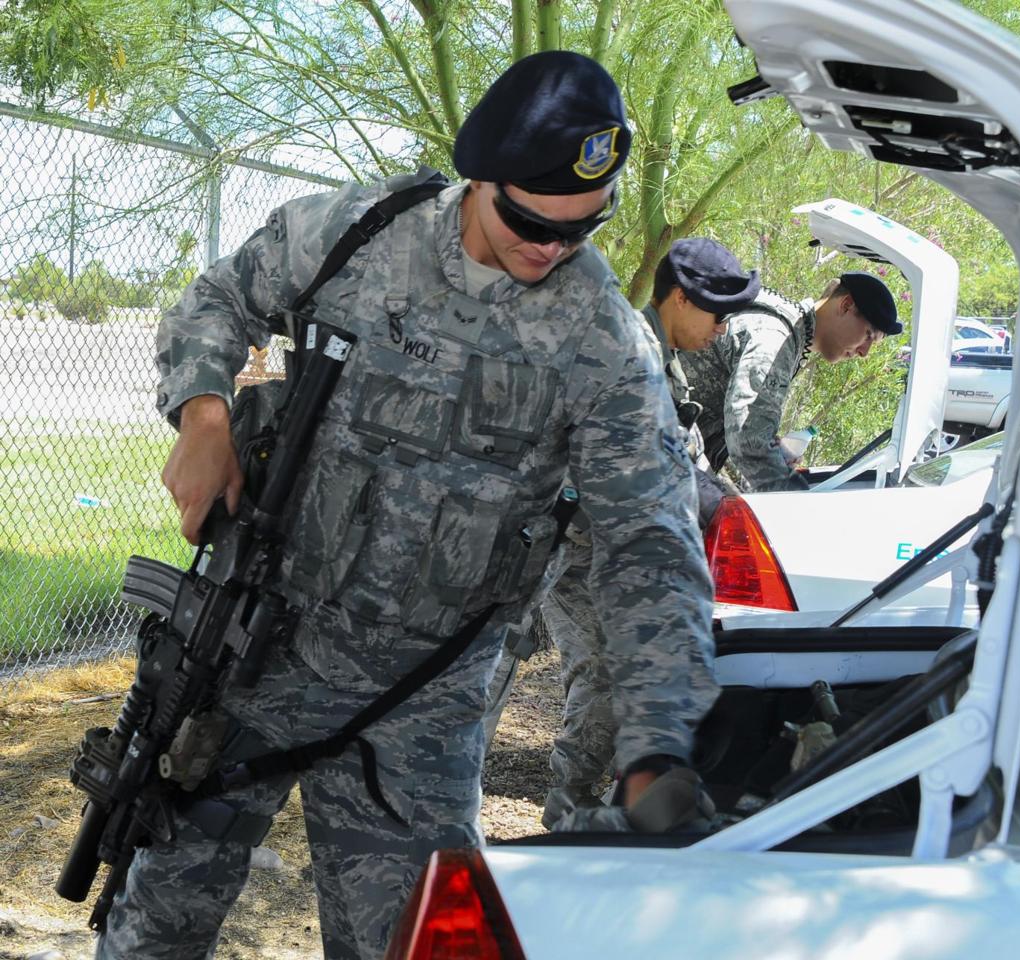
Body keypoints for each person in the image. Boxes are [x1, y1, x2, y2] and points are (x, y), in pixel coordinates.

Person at [99, 51, 718, 960]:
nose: (552, 248)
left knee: (410, 943)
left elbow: (649, 543)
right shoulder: (355, 235)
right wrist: (203, 415)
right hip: (257, 647)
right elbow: (218, 298)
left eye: (582, 227)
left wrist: (655, 740)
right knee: (157, 920)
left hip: (420, 698)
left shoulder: (604, 342)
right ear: (482, 177)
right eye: (528, 220)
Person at [530, 237, 760, 828]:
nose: (721, 330)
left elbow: (680, 457)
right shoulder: (627, 354)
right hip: (559, 544)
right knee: (580, 672)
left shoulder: (663, 361)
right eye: (717, 315)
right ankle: (561, 802)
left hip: (595, 546)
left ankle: (578, 798)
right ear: (680, 298)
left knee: (612, 671)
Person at [679, 271, 902, 491]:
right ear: (846, 305)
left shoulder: (791, 332)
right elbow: (748, 440)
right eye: (868, 335)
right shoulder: (776, 338)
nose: (864, 352)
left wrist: (773, 450)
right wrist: (797, 498)